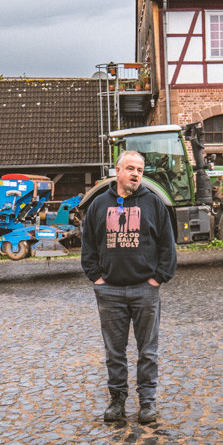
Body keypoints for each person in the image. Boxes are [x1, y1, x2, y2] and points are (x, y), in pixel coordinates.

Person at [81, 150, 177, 424]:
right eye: (131, 168)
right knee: (115, 351)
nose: (136, 174)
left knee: (148, 350)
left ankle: (147, 402)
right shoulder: (99, 205)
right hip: (109, 290)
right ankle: (117, 401)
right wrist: (96, 277)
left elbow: (167, 246)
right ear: (118, 171)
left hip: (145, 290)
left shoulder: (154, 203)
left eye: (140, 170)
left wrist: (157, 278)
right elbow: (87, 245)